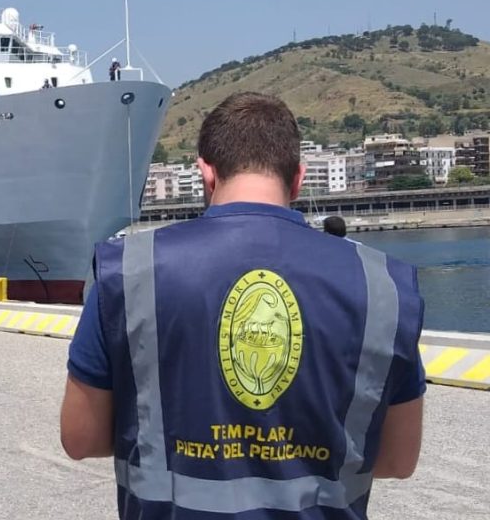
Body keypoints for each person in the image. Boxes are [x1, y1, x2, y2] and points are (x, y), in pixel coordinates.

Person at [60, 92, 424, 519]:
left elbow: (80, 438)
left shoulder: (128, 272)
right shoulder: (382, 284)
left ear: (205, 173)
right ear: (299, 178)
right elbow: (399, 460)